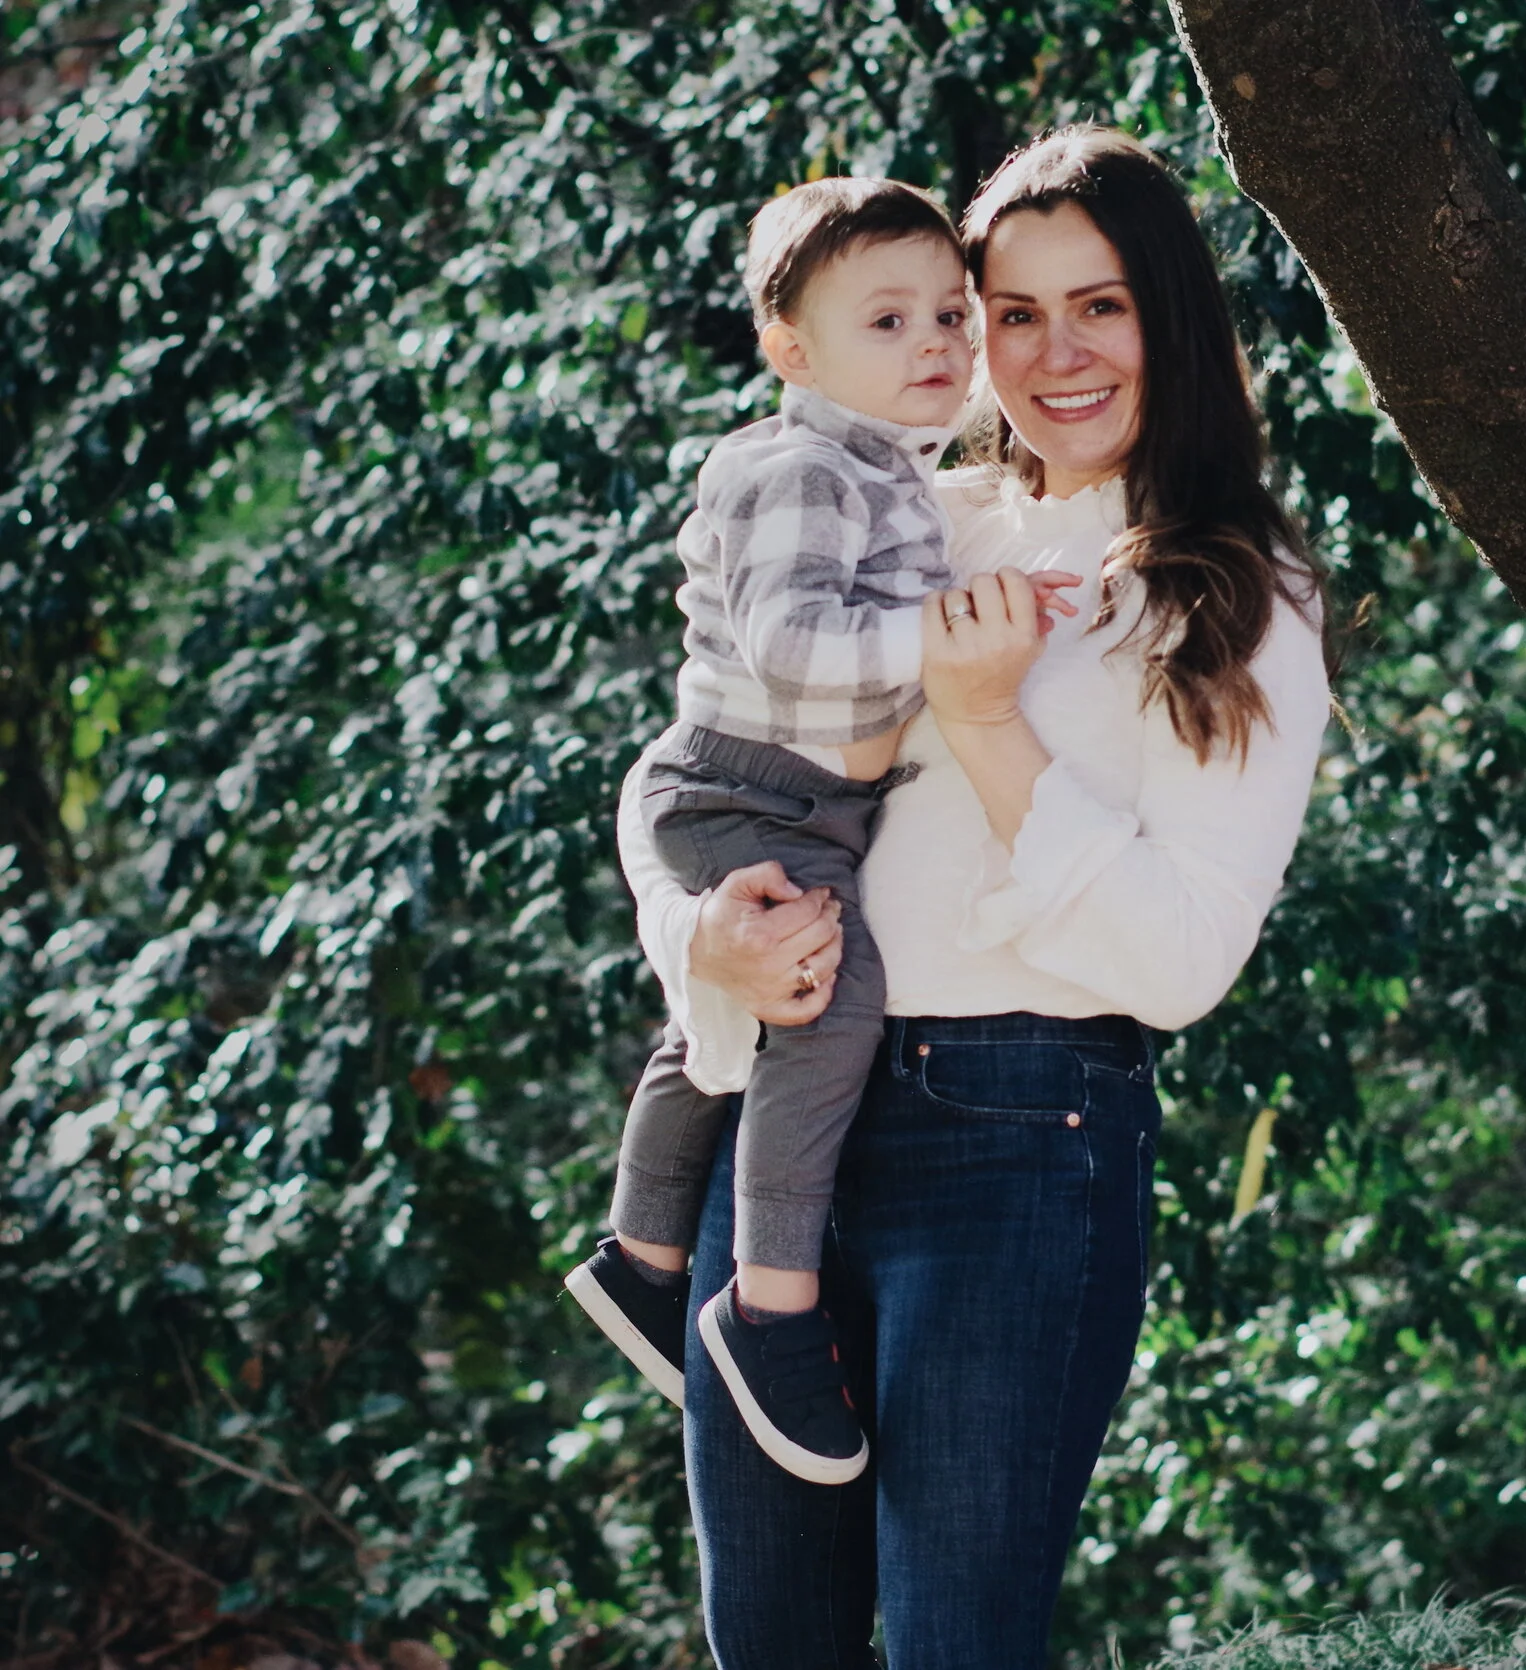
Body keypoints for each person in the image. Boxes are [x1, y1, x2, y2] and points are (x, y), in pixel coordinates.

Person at [614, 126, 1331, 1665]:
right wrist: (697, 943)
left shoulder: (1238, 591)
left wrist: (991, 720)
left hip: (1015, 1139)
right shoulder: (908, 514)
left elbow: (1185, 963)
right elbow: (687, 764)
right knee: (772, 1644)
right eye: (1014, 311)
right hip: (787, 1117)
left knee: (957, 1643)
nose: (1055, 353)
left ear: (1171, 317)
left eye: (1101, 305)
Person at [570, 176, 1071, 1487]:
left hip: (794, 801)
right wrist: (950, 638)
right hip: (746, 791)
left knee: (732, 1015)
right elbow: (791, 646)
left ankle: (642, 1260)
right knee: (827, 1004)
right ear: (792, 352)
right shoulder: (801, 469)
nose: (938, 344)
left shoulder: (888, 471)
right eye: (888, 321)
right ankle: (769, 1307)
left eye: (951, 315)